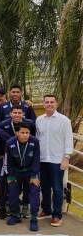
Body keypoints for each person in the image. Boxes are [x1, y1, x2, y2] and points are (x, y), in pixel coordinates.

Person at [36, 94, 73, 227]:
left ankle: (57, 215)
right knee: (44, 187)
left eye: (52, 102)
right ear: (43, 104)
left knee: (57, 189)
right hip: (43, 159)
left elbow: (69, 140)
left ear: (56, 104)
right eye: (47, 102)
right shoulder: (39, 120)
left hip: (57, 160)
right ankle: (46, 210)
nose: (49, 104)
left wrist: (66, 157)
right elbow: (37, 139)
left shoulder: (64, 120)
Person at [5, 123, 41, 231]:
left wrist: (34, 175)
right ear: (16, 133)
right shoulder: (10, 143)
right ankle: (15, 215)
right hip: (16, 172)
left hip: (30, 172)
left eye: (27, 133)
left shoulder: (35, 142)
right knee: (12, 193)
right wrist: (10, 175)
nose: (25, 135)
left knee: (34, 194)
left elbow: (36, 159)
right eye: (22, 133)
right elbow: (8, 161)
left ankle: (34, 219)